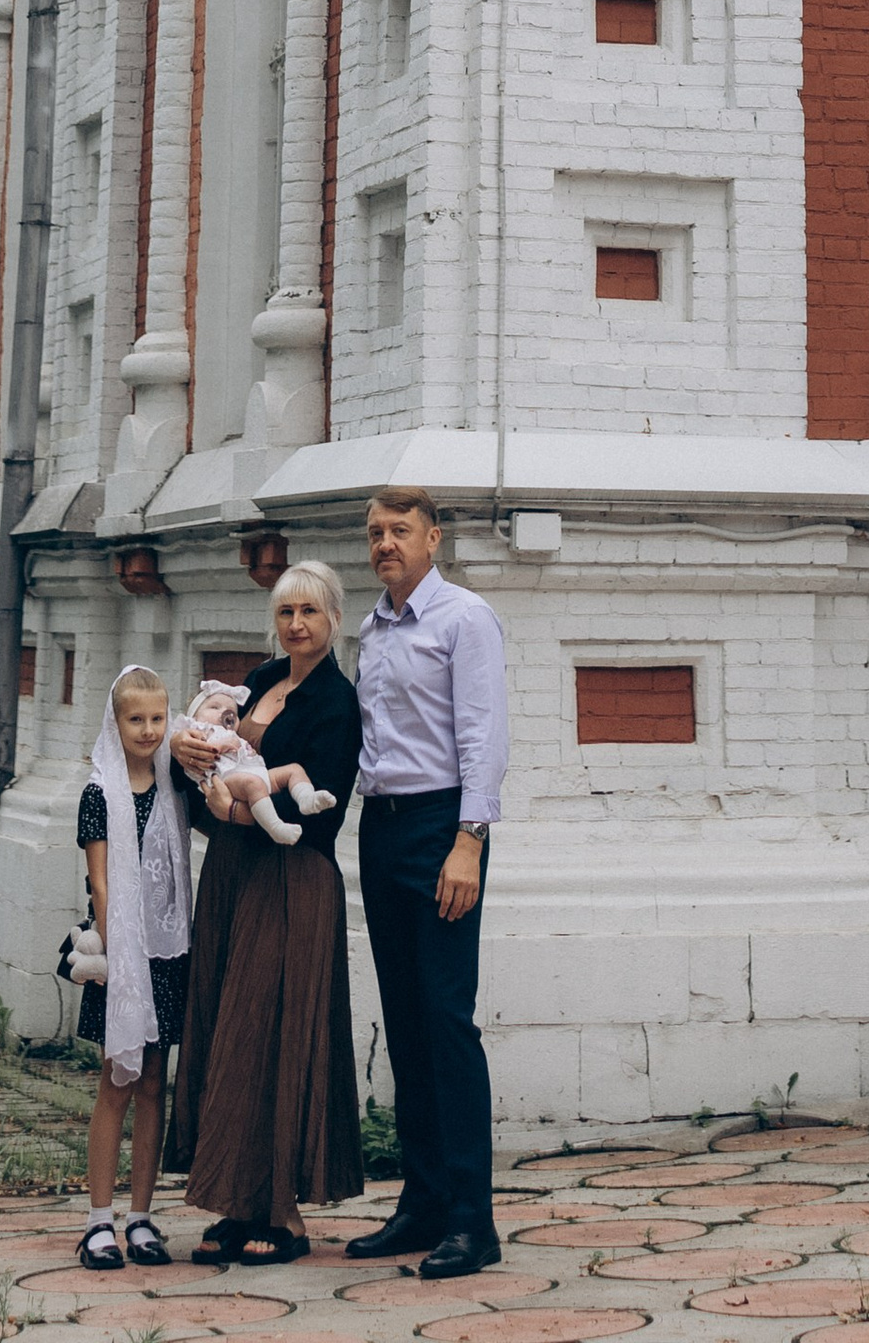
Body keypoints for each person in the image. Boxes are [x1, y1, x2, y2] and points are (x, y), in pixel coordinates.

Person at [166, 562, 363, 1268]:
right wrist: (185, 750)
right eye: (286, 612)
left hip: (292, 879)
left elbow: (321, 813)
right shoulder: (258, 679)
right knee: (229, 1026)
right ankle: (237, 1200)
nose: (297, 624)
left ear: (334, 618)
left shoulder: (337, 702)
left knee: (273, 1031)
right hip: (232, 873)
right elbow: (209, 773)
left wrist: (236, 809)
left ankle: (284, 1213)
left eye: (309, 611)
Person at [348, 488, 509, 1280]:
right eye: (376, 532)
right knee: (406, 1022)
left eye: (400, 530)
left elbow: (484, 735)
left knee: (447, 1022)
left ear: (433, 538)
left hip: (443, 830)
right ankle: (422, 1203)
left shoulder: (464, 619)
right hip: (381, 830)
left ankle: (473, 1223)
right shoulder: (371, 629)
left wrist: (468, 842)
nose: (386, 543)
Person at [73, 665, 192, 1275]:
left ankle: (142, 1216)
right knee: (115, 1083)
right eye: (135, 719)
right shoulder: (100, 793)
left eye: (157, 718)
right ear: (115, 723)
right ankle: (99, 1220)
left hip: (166, 954)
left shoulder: (174, 787)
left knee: (152, 1084)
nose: (147, 730)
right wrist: (122, 961)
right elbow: (101, 882)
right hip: (123, 956)